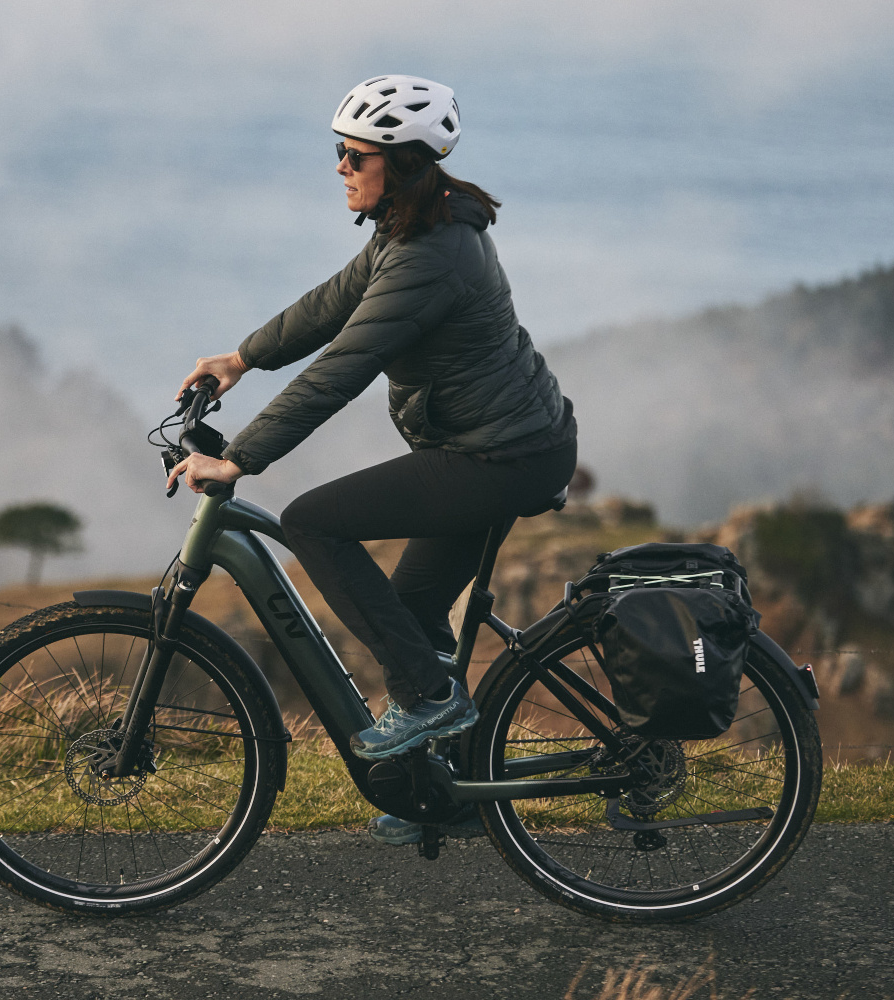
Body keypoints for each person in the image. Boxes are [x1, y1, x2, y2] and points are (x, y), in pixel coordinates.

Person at [165, 74, 577, 845]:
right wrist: (242, 358)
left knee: (313, 522)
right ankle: (451, 793)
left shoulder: (431, 256)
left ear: (407, 165)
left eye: (355, 155)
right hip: (504, 445)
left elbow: (343, 366)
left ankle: (428, 702)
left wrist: (240, 459)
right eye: (340, 152)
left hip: (499, 457)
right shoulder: (409, 230)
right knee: (412, 613)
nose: (340, 167)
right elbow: (333, 303)